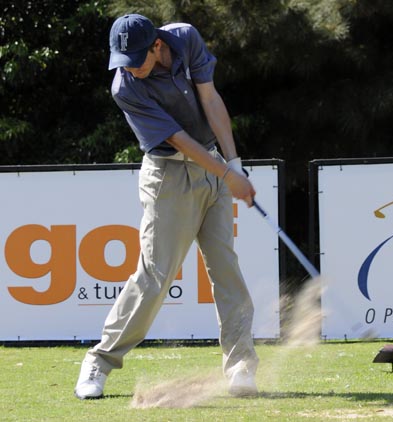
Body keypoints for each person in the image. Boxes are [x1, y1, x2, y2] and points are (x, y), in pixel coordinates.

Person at [74, 14, 259, 399]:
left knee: (227, 269)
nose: (129, 69)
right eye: (122, 60)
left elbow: (209, 97)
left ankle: (241, 366)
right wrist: (228, 175)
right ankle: (99, 361)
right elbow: (177, 139)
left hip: (214, 169)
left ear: (157, 46)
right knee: (156, 276)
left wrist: (234, 163)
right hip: (168, 177)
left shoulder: (184, 39)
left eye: (136, 59)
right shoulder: (125, 86)